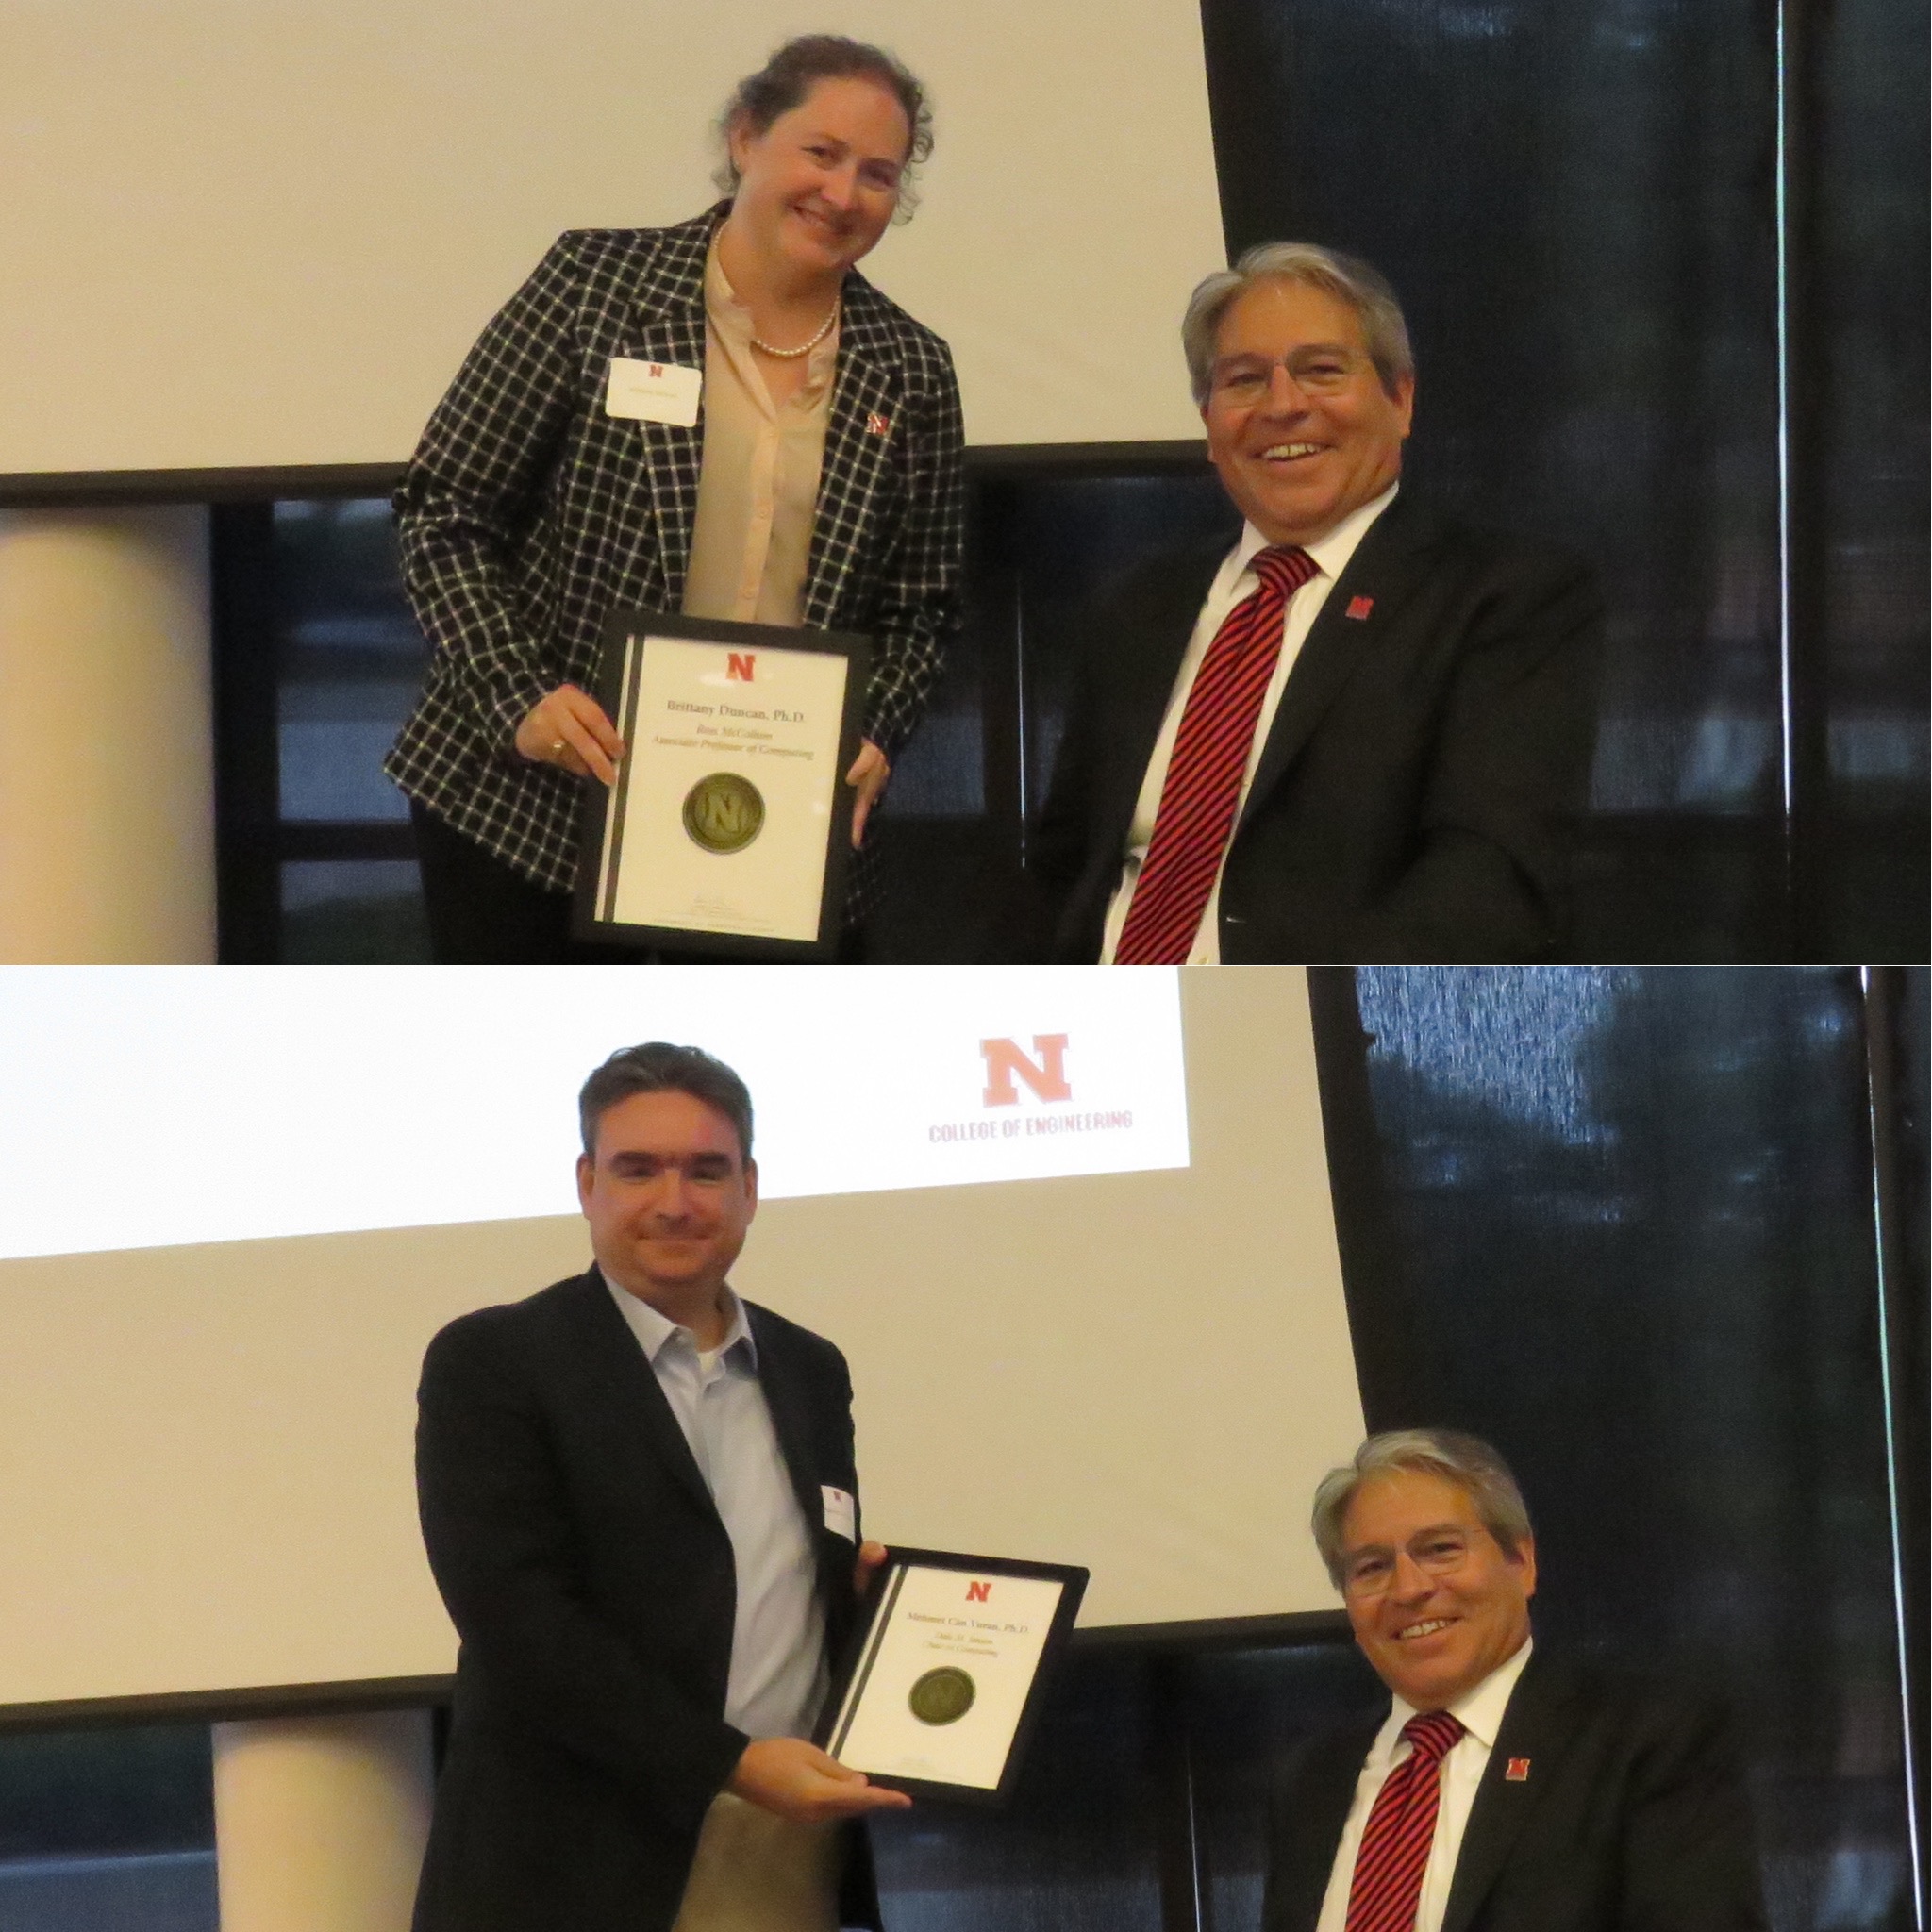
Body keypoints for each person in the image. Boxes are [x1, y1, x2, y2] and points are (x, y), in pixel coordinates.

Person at [385, 37, 966, 961]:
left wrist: (873, 732)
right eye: (819, 153)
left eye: (878, 174)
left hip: (771, 825)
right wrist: (522, 696)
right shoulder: (594, 287)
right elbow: (446, 510)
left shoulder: (913, 371)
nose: (843, 194)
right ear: (745, 138)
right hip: (526, 806)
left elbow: (918, 611)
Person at [411, 1043, 908, 1932]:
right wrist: (732, 1764)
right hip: (572, 1876)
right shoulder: (494, 1362)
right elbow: (521, 1626)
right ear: (586, 1183)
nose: (675, 1203)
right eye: (638, 1170)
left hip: (788, 1863)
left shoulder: (809, 1368)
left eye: (706, 1171)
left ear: (749, 1188)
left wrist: (862, 1607)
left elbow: (780, 1585)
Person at [1029, 243, 1603, 963]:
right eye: (1243, 380)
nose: (1283, 406)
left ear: (1401, 399)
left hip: (1306, 1036)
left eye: (1322, 371)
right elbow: (1058, 876)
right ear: (1208, 421)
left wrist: (1280, 1021)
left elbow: (1487, 882)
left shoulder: (1506, 598)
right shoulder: (1138, 607)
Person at [1262, 1430, 1767, 1932]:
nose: (1409, 1589)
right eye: (1372, 1567)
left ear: (1521, 1563)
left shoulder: (1643, 1742)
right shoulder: (1311, 1780)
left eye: (1440, 1549)